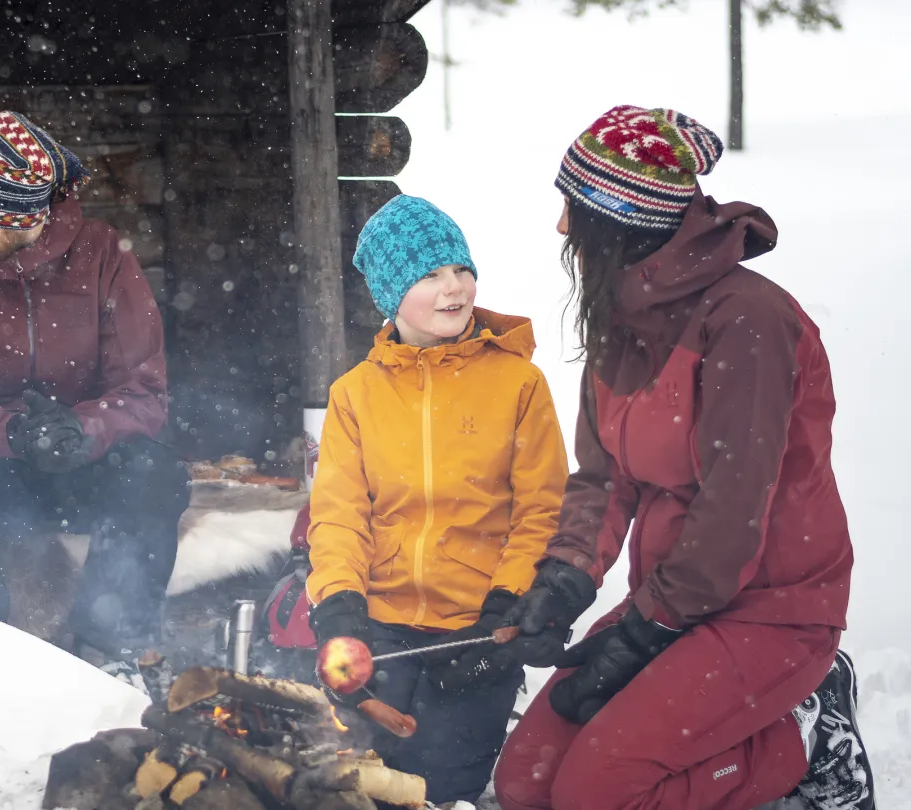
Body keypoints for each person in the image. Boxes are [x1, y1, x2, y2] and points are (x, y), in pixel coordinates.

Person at [493, 106, 875, 810]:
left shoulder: (749, 322)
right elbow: (604, 477)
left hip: (770, 606)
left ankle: (806, 738)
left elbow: (733, 512)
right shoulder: (621, 317)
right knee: (524, 782)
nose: (560, 229)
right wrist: (564, 580)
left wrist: (642, 635)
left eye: (572, 209)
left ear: (622, 223)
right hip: (674, 598)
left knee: (595, 793)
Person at [0, 111, 188, 681]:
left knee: (155, 473)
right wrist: (7, 429)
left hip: (77, 463)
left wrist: (83, 431)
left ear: (13, 219)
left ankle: (114, 653)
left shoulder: (103, 255)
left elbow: (145, 391)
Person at [305, 194, 569, 803]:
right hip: (381, 625)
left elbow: (541, 511)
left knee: (440, 786)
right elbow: (340, 515)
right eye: (429, 275)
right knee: (358, 778)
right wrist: (341, 607)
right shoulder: (355, 395)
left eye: (460, 269)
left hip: (477, 630)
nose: (454, 288)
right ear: (391, 292)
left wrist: (506, 609)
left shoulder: (518, 384)